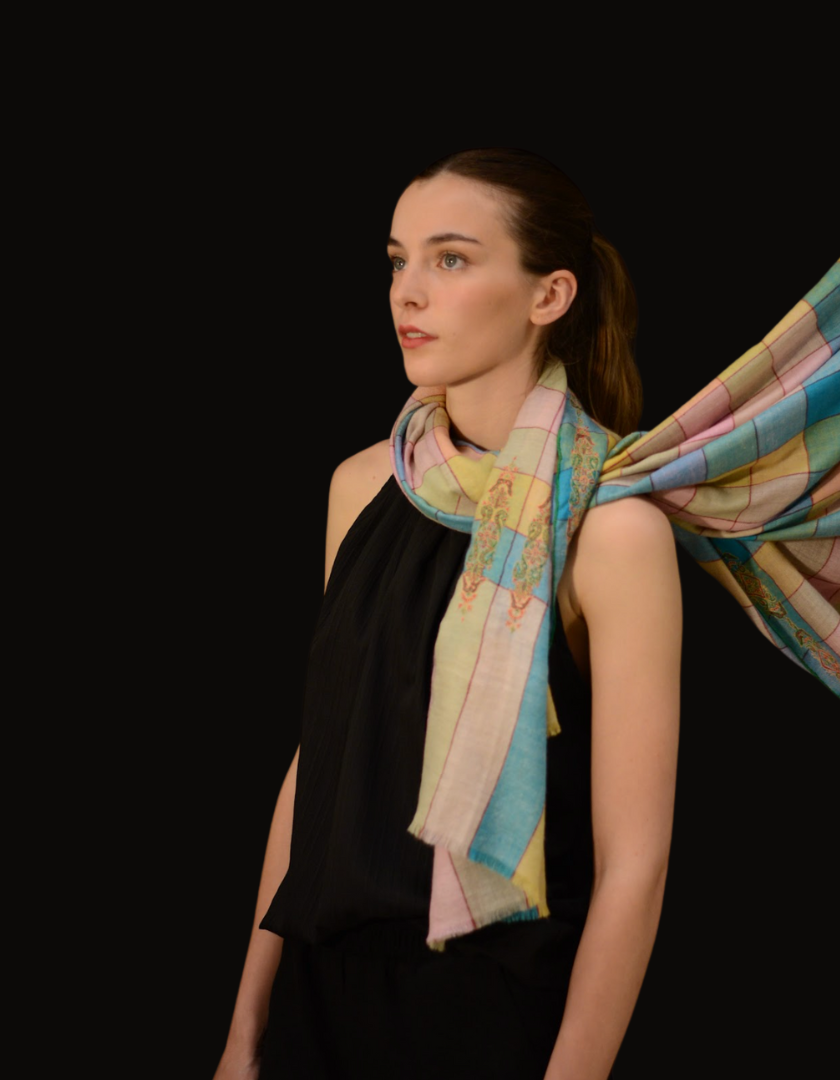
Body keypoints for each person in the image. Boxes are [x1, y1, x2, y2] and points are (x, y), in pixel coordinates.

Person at [214, 148, 683, 1079]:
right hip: (322, 990)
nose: (409, 293)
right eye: (398, 260)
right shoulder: (361, 486)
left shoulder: (612, 528)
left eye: (452, 259)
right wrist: (245, 1029)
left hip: (497, 1013)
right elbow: (320, 762)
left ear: (550, 295)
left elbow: (636, 862)